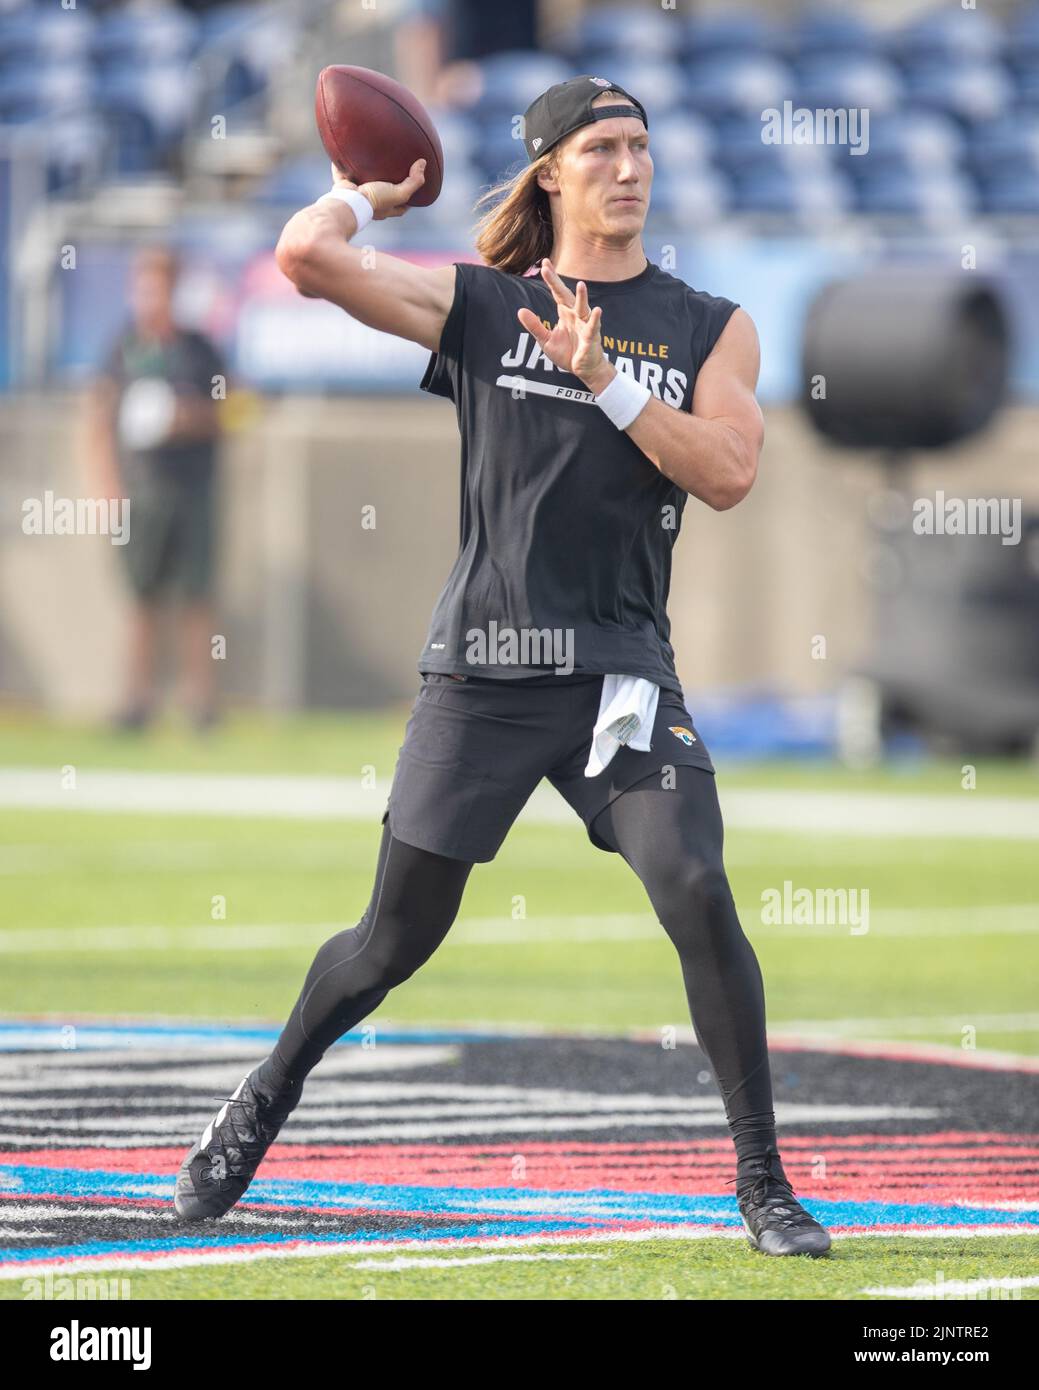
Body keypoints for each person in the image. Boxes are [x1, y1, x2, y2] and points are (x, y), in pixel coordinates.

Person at [173, 77, 831, 1257]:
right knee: (390, 942)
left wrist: (607, 379)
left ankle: (763, 1183)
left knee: (694, 885)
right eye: (601, 149)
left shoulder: (706, 324)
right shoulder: (487, 305)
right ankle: (264, 1094)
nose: (629, 167)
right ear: (549, 175)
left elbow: (727, 472)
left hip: (618, 673)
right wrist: (355, 194)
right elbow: (303, 260)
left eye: (640, 146)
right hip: (482, 668)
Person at [86, 245, 225, 732]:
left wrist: (190, 418)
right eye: (144, 287)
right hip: (142, 492)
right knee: (141, 597)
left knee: (196, 596)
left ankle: (199, 705)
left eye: (160, 287)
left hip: (193, 490)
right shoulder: (123, 347)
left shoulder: (199, 348)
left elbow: (236, 408)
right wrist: (108, 488)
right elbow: (99, 417)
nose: (152, 297)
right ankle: (136, 701)